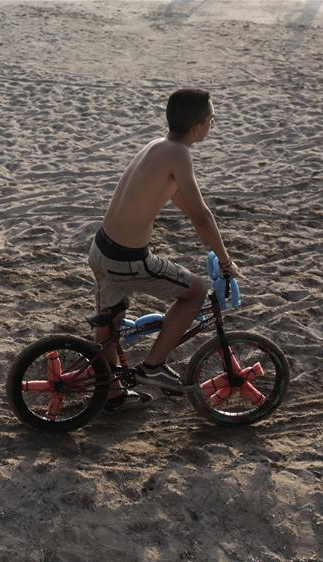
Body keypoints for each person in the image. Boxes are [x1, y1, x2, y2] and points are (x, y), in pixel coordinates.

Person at [89, 88, 241, 406]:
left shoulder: (157, 146)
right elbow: (201, 215)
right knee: (195, 291)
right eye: (212, 119)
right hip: (128, 259)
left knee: (110, 325)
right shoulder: (180, 154)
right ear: (199, 128)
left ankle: (112, 394)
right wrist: (225, 260)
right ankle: (154, 365)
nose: (212, 124)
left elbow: (180, 201)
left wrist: (204, 230)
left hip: (101, 249)